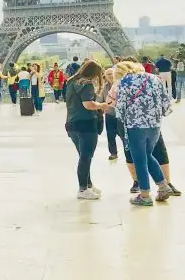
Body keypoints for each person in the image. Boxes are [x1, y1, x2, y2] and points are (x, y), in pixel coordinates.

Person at [115, 59, 173, 206]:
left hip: (135, 125)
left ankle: (145, 195)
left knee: (139, 159)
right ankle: (163, 186)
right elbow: (166, 101)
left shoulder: (124, 82)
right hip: (154, 124)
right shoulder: (154, 78)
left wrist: (122, 120)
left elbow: (120, 107)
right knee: (148, 155)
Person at [64, 60, 107, 200]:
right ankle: (83, 189)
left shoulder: (71, 81)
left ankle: (88, 184)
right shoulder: (86, 84)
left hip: (72, 123)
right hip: (86, 124)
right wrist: (102, 105)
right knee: (86, 157)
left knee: (83, 156)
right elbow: (88, 104)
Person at [99, 67, 119, 160]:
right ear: (105, 77)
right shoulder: (104, 87)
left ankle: (129, 153)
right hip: (109, 114)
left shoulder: (120, 84)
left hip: (120, 115)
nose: (110, 76)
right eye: (108, 75)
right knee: (110, 135)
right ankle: (113, 153)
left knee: (124, 136)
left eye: (111, 74)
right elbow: (100, 100)